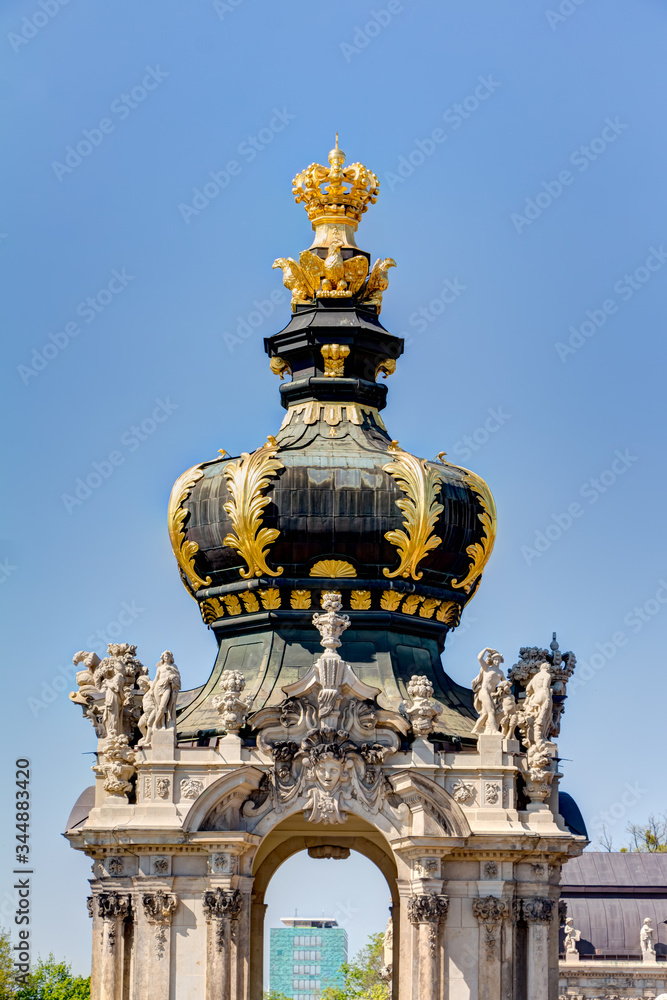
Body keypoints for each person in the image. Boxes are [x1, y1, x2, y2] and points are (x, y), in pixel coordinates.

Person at [471, 648, 505, 735]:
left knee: (485, 714)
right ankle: (494, 731)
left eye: (498, 660)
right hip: (484, 692)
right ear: (492, 660)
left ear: (501, 661)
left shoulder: (500, 673)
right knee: (491, 711)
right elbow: (479, 658)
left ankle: (475, 730)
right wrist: (486, 649)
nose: (497, 661)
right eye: (495, 660)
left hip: (492, 694)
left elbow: (505, 683)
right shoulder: (487, 668)